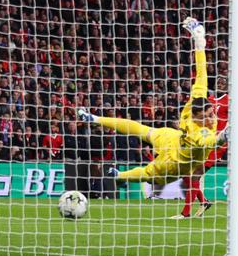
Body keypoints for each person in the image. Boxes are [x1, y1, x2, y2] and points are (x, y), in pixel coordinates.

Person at [77, 17, 227, 186]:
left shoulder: (196, 102)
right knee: (146, 153)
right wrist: (223, 136)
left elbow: (201, 75)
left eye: (211, 113)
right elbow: (210, 141)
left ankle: (118, 173)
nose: (211, 117)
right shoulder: (199, 132)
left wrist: (199, 44)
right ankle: (97, 124)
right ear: (197, 117)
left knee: (146, 153)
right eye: (206, 116)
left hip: (174, 150)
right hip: (175, 157)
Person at [171, 91, 229, 220]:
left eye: (223, 81)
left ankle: (185, 213)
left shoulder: (230, 100)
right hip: (201, 141)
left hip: (215, 145)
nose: (220, 83)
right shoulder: (208, 100)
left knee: (195, 175)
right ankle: (204, 201)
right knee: (185, 172)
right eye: (218, 81)